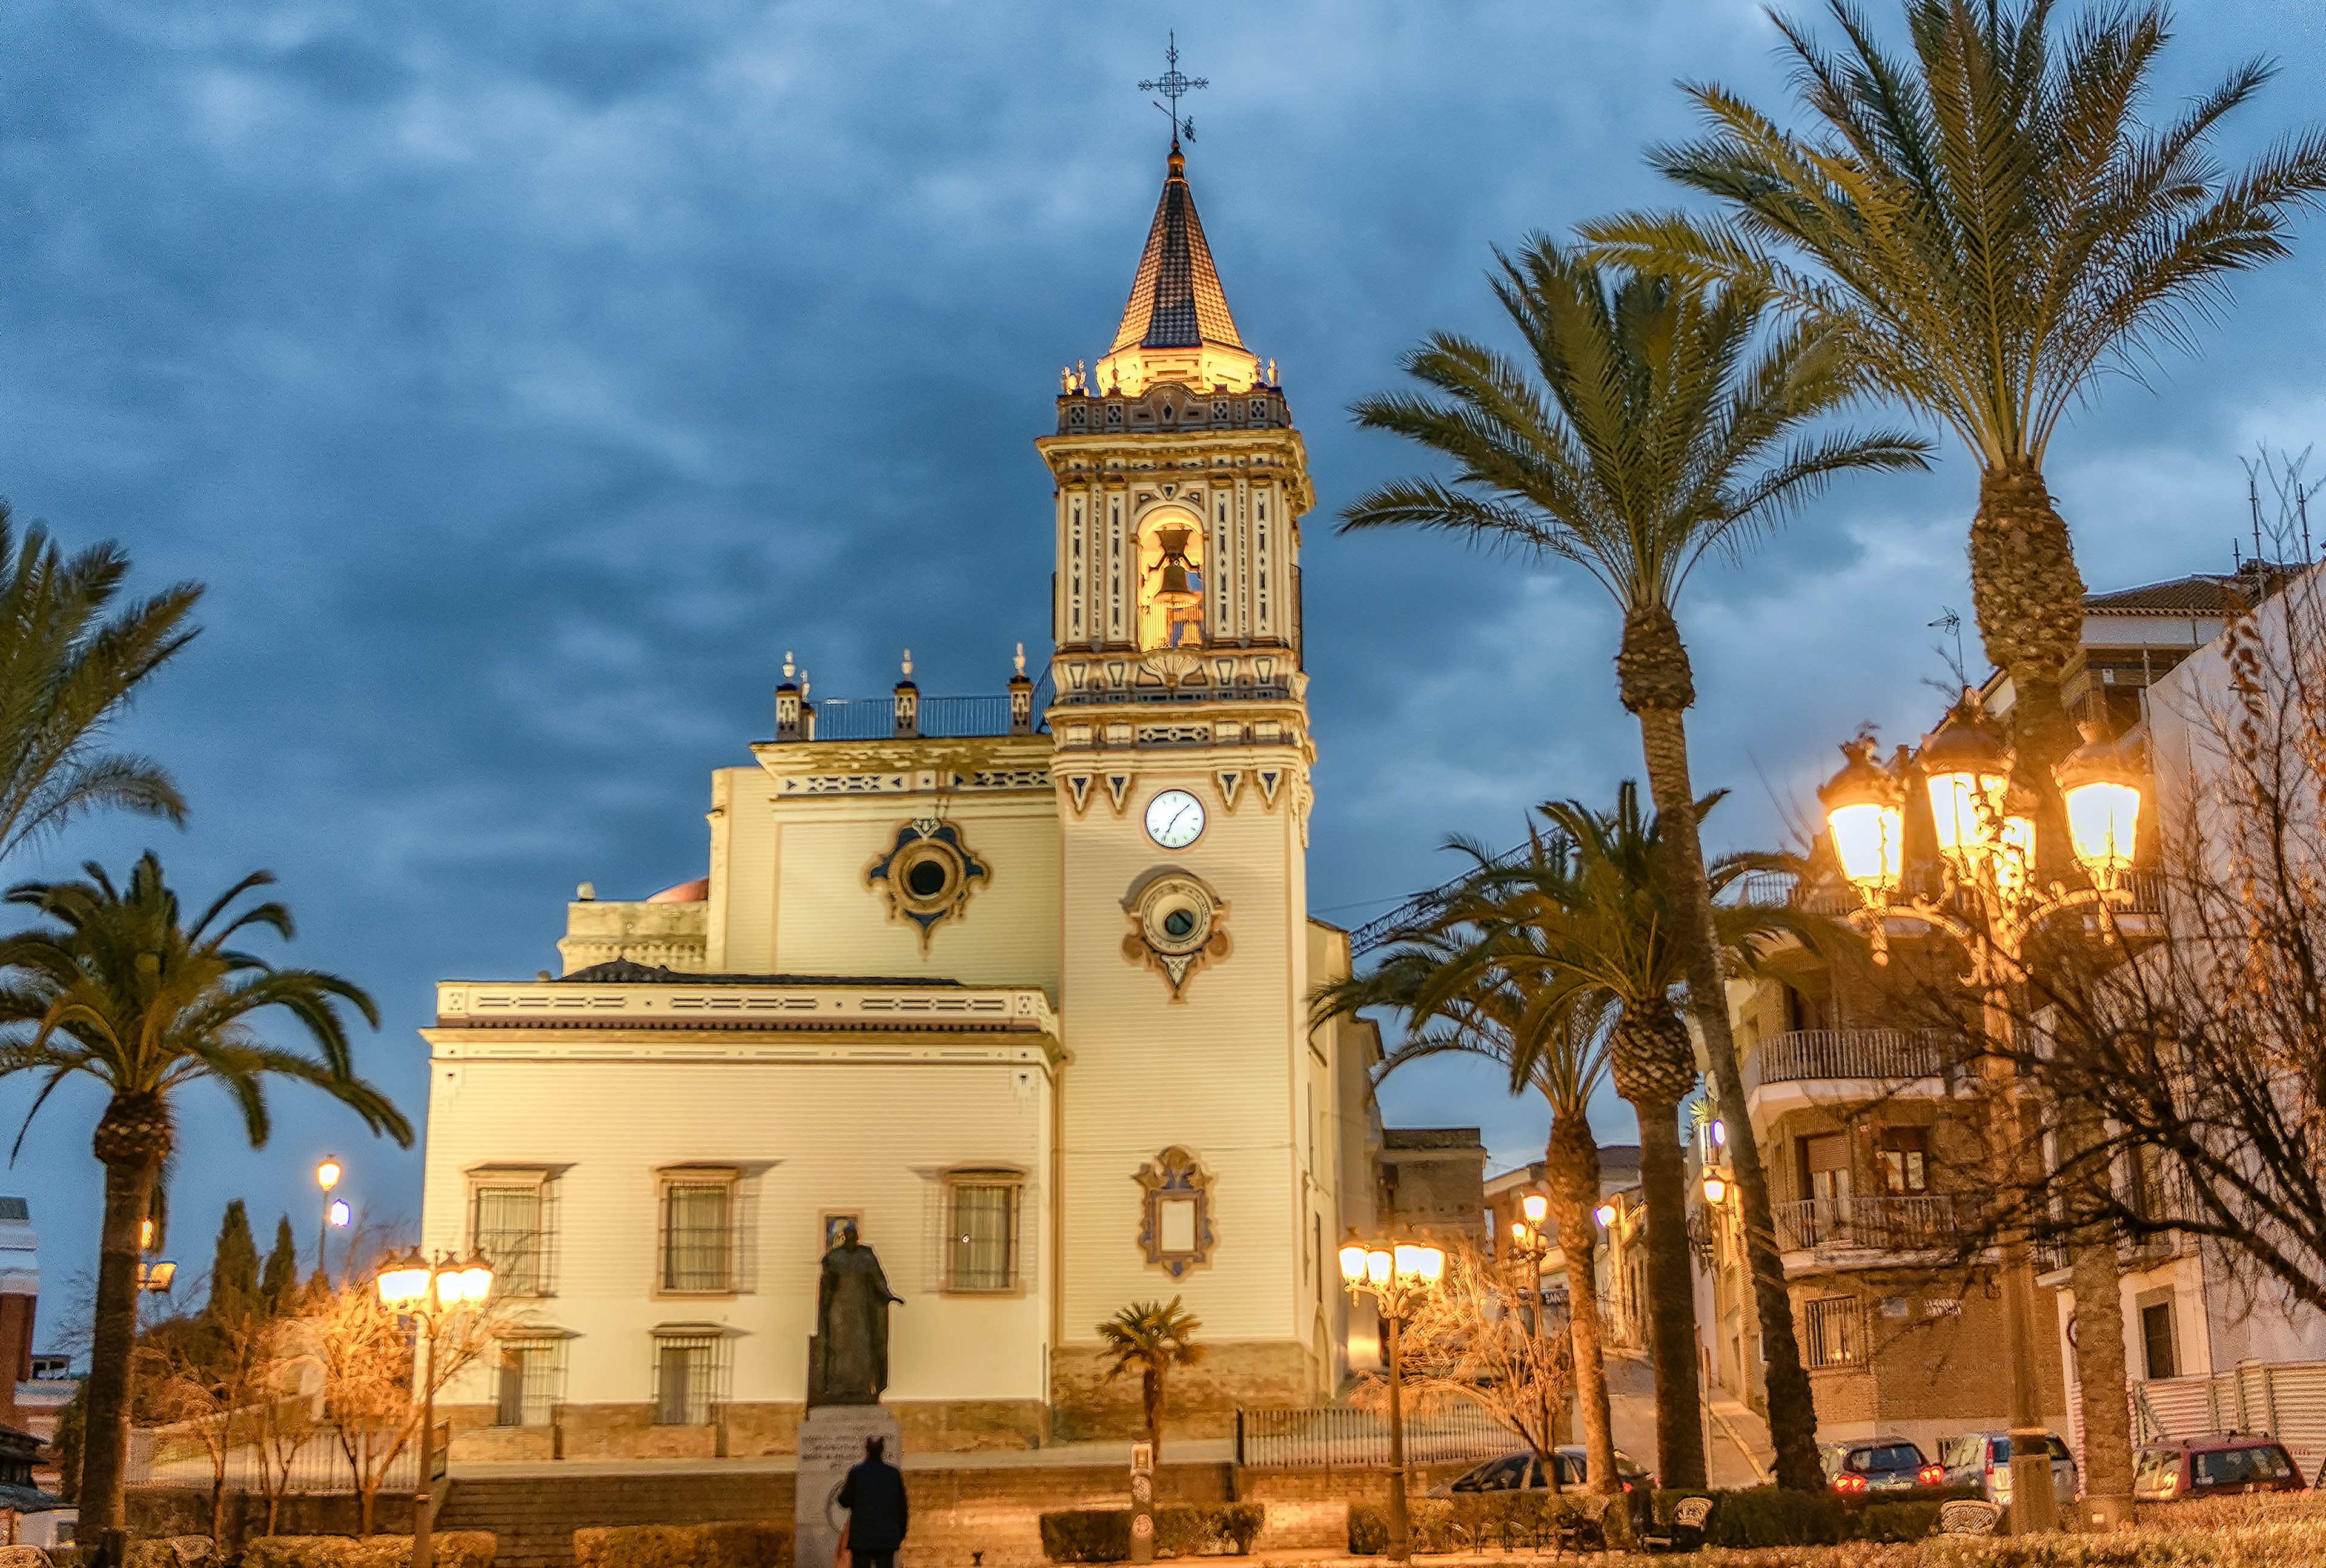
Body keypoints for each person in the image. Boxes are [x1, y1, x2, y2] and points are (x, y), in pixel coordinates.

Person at [838, 1435, 909, 1568]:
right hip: (886, 1538)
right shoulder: (892, 1474)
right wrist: (901, 1532)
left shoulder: (857, 1473)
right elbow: (902, 1507)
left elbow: (844, 1501)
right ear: (882, 1450)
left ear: (867, 1449)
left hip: (862, 1538)